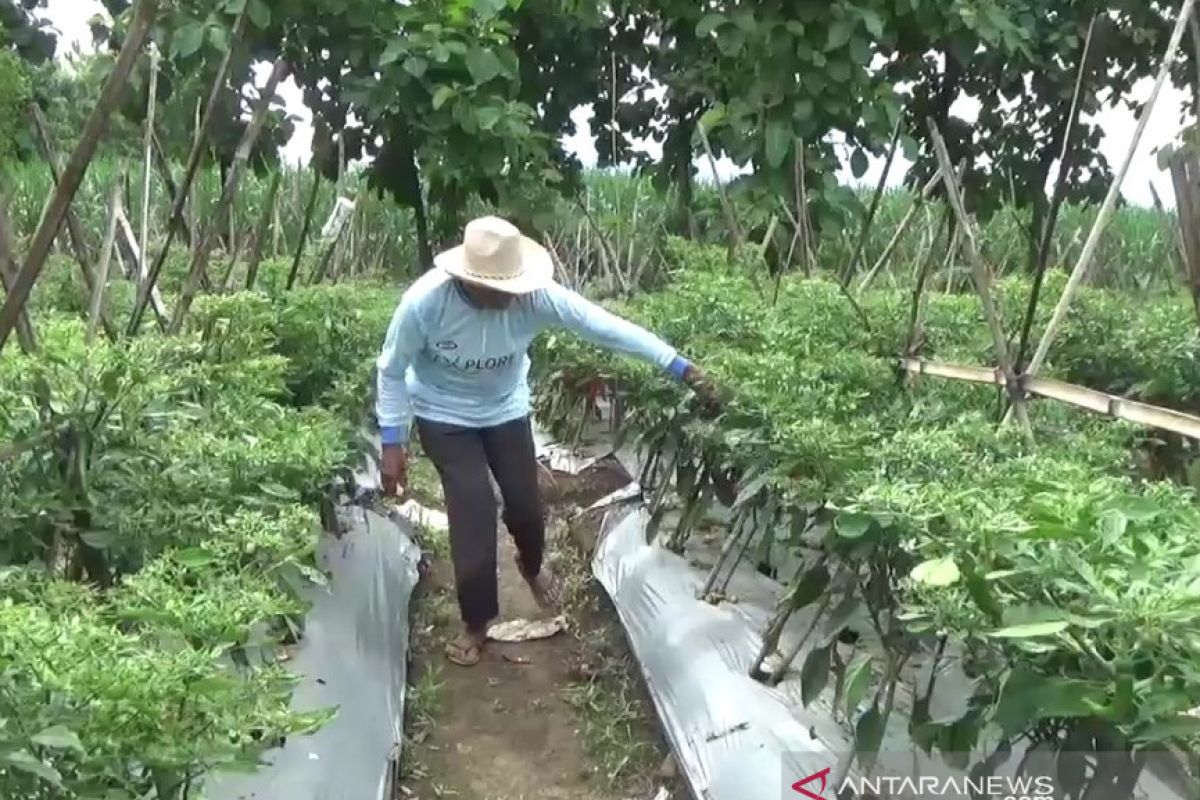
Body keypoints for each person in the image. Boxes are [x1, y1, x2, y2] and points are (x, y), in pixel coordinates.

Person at [375, 215, 716, 666]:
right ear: (467, 279)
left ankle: (531, 565)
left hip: (505, 409)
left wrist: (679, 366)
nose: (507, 296)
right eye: (495, 288)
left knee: (525, 503)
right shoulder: (425, 304)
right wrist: (392, 442)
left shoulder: (534, 297)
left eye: (512, 286)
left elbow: (604, 326)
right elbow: (392, 370)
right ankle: (476, 621)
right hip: (443, 413)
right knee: (473, 507)